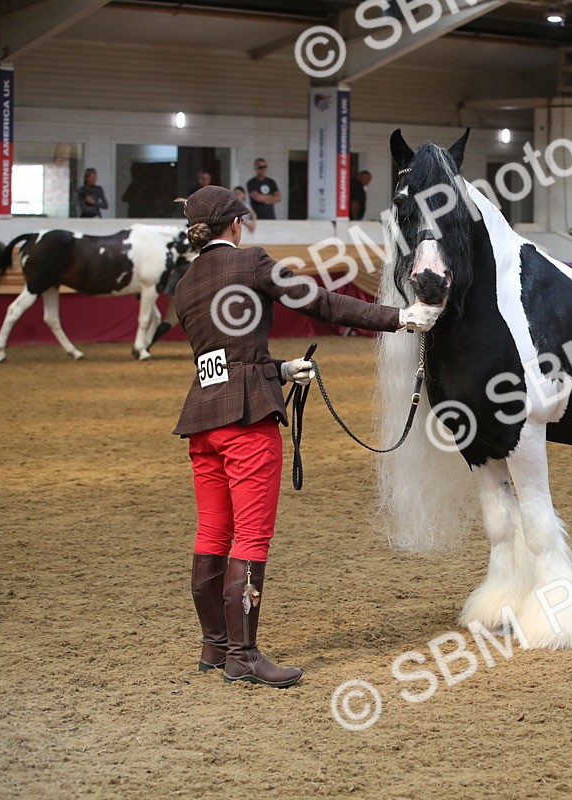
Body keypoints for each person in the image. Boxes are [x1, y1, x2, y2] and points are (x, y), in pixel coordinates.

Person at [174, 185, 443, 688]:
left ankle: (214, 646)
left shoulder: (184, 284)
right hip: (246, 424)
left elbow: (220, 360)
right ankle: (245, 656)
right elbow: (320, 303)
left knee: (212, 533)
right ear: (236, 225)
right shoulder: (251, 262)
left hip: (202, 424)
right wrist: (401, 318)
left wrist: (277, 368)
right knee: (251, 537)